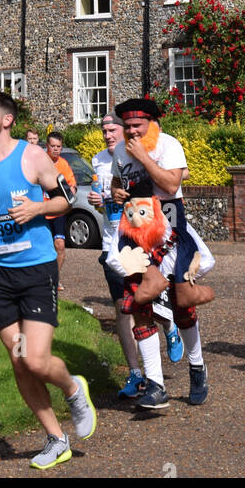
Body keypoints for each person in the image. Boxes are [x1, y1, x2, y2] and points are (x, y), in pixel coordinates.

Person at [0, 90, 97, 469]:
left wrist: (37, 207)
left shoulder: (31, 156)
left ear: (6, 120)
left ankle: (72, 387)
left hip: (36, 269)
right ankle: (55, 438)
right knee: (19, 362)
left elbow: (66, 198)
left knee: (35, 359)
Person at [110, 98, 210, 406]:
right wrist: (116, 190)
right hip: (135, 227)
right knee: (140, 305)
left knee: (182, 307)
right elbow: (118, 180)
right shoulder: (119, 150)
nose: (131, 132)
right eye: (126, 127)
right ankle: (155, 384)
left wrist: (144, 157)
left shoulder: (168, 145)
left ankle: (197, 367)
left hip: (170, 224)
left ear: (152, 124)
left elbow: (171, 183)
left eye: (137, 126)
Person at [89, 114, 146, 398]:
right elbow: (102, 199)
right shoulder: (98, 160)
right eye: (104, 131)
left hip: (137, 241)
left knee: (148, 303)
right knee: (122, 308)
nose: (107, 135)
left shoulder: (137, 156)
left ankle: (173, 325)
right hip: (111, 242)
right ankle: (136, 374)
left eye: (112, 130)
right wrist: (98, 201)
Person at [43, 132, 76, 290]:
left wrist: (73, 192)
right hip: (41, 211)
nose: (56, 149)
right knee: (42, 248)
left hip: (58, 212)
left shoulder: (63, 164)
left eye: (58, 147)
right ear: (47, 146)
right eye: (53, 146)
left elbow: (71, 184)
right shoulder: (40, 162)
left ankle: (54, 278)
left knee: (60, 245)